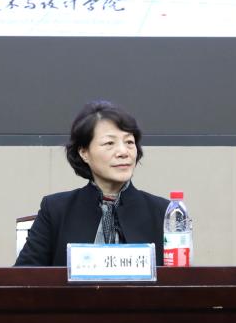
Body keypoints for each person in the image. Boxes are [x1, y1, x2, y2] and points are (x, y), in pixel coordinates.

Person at [15, 101, 170, 267]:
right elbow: (24, 276)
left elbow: (180, 277)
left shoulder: (163, 212)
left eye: (129, 142)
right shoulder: (55, 210)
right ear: (84, 153)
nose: (123, 152)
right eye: (109, 143)